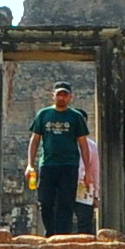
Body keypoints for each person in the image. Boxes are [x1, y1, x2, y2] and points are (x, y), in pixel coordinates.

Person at [26, 81, 90, 236]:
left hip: (69, 165)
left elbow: (83, 144)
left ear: (70, 97)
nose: (62, 98)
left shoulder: (76, 117)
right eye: (59, 94)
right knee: (45, 201)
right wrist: (30, 164)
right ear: (53, 96)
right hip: (48, 164)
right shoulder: (43, 114)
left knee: (66, 203)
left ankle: (62, 235)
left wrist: (87, 171)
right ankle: (50, 232)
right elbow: (35, 140)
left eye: (65, 95)